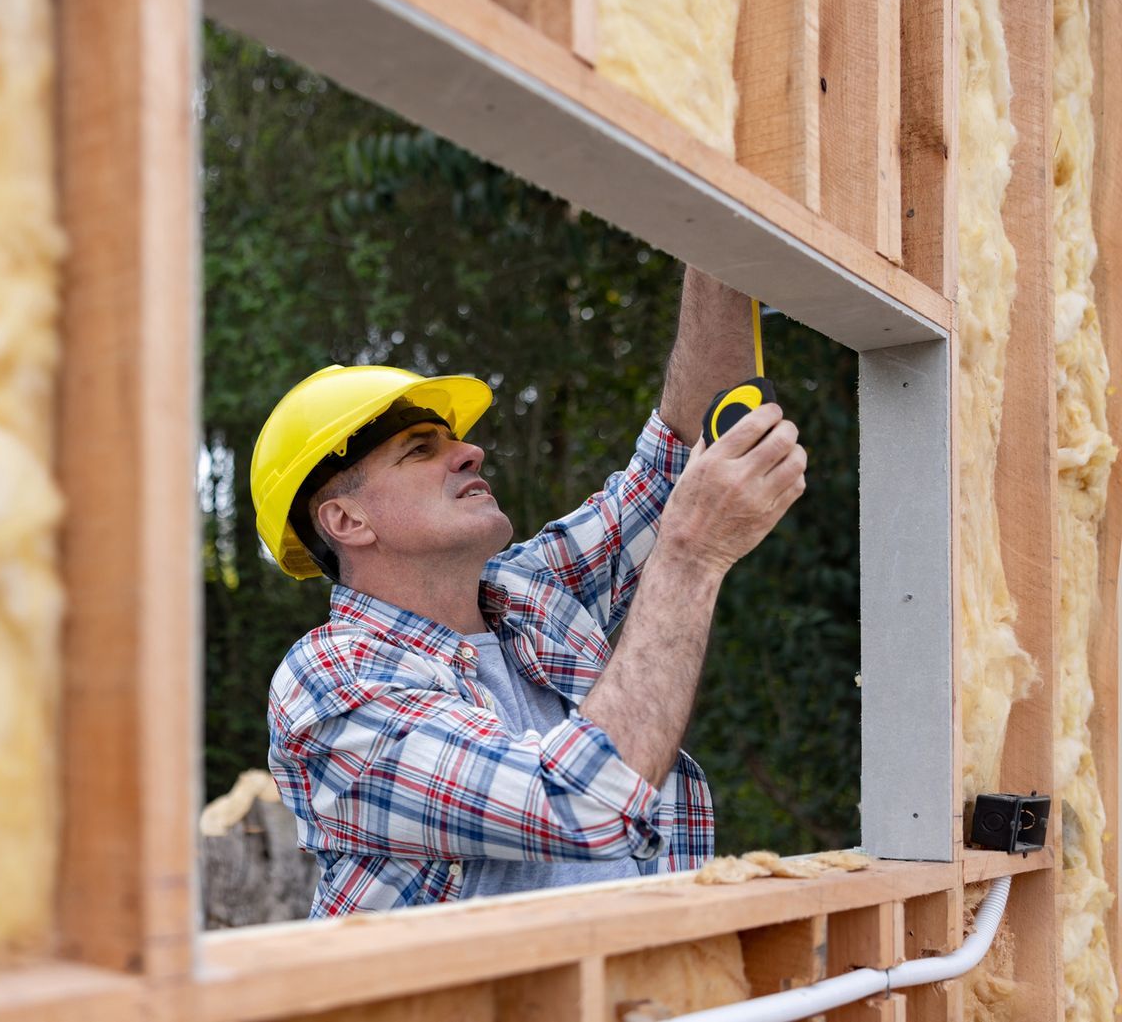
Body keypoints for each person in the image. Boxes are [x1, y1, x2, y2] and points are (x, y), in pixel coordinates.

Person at [250, 269, 806, 916]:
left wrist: (717, 228)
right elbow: (580, 803)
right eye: (420, 449)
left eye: (456, 438)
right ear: (347, 521)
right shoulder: (329, 680)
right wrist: (690, 556)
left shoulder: (528, 591)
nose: (471, 452)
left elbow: (679, 458)